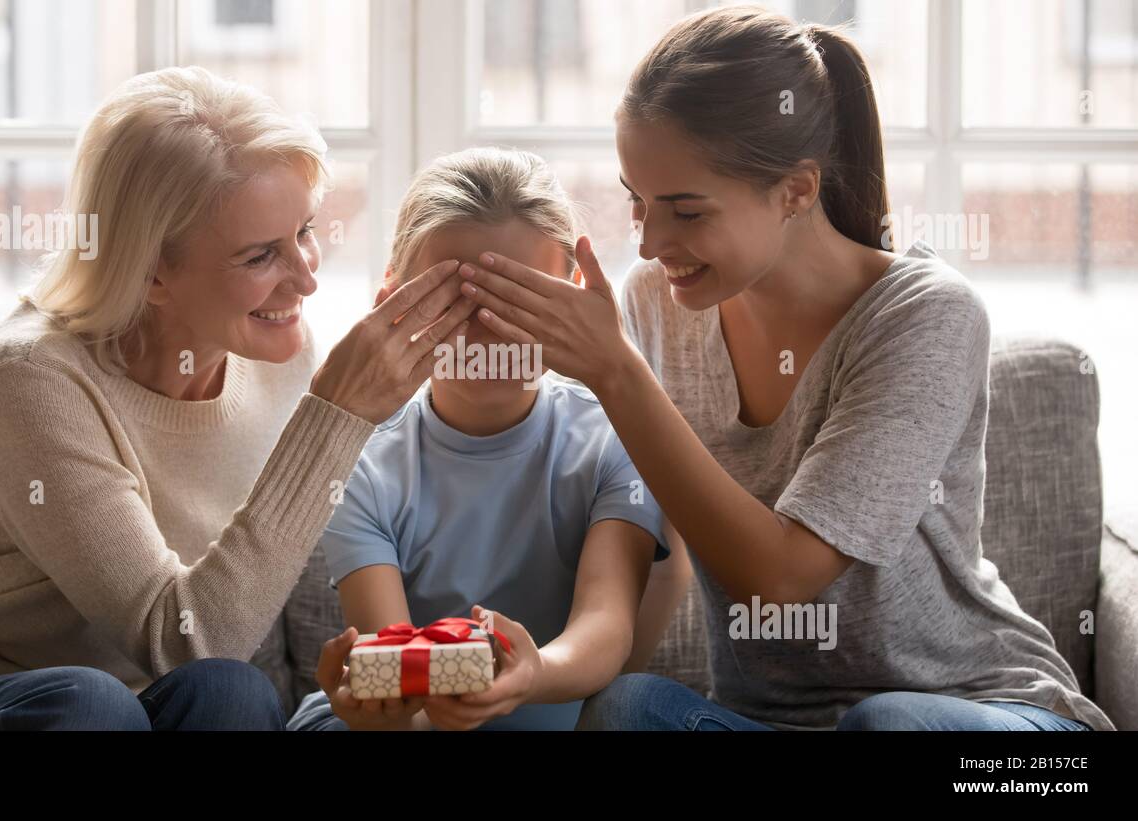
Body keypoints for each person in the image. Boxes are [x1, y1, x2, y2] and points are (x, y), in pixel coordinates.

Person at [453, 8, 1113, 731]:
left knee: (888, 724)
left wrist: (615, 371)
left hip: (991, 721)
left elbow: (783, 576)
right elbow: (626, 507)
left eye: (686, 211)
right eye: (637, 202)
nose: (648, 244)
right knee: (627, 708)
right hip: (768, 720)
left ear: (797, 190)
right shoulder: (658, 304)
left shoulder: (928, 315)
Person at [0, 66, 475, 730]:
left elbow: (205, 663)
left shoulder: (278, 356)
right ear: (151, 272)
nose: (307, 281)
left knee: (234, 693)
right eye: (261, 256)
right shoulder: (29, 378)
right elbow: (181, 638)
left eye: (305, 233)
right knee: (90, 703)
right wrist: (334, 419)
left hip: (113, 714)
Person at [288, 148, 687, 731]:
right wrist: (388, 709)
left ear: (574, 294)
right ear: (394, 294)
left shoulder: (610, 441)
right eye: (454, 297)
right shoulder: (367, 464)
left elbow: (607, 628)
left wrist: (529, 675)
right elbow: (388, 668)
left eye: (519, 298)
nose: (487, 330)